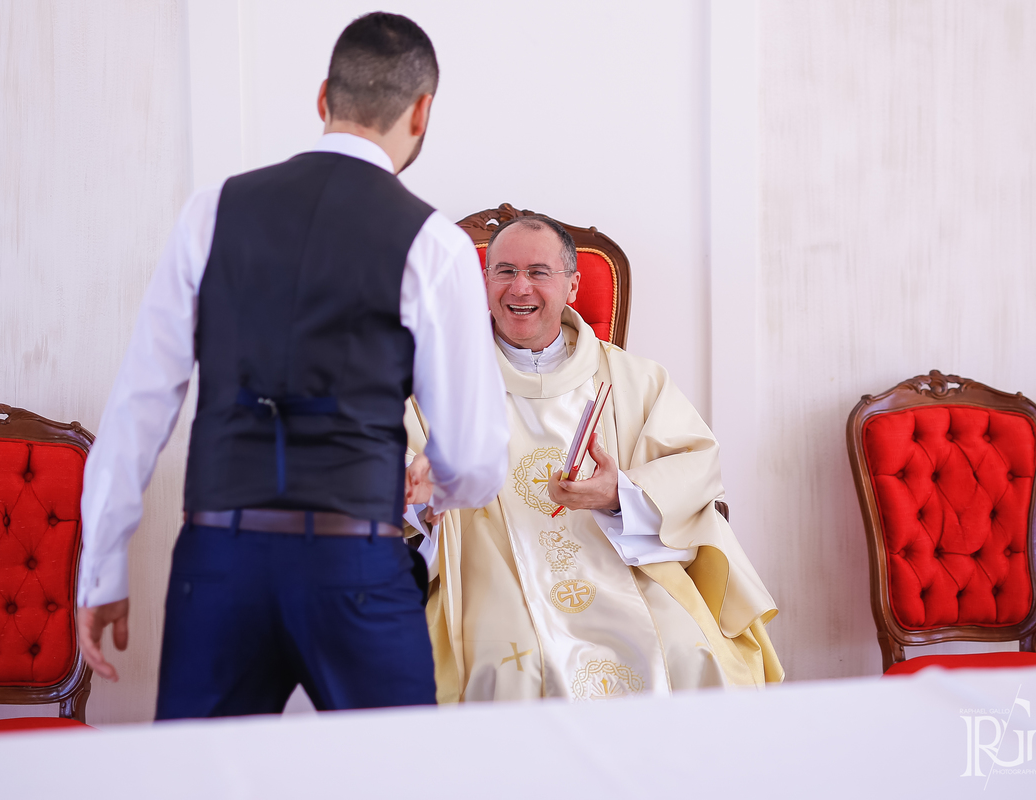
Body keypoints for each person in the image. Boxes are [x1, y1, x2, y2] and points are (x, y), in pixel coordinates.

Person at [75, 12, 508, 717]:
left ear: (323, 98)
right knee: (401, 769)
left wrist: (102, 570)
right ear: (422, 112)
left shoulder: (210, 212)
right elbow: (477, 458)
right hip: (355, 567)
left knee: (199, 772)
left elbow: (137, 408)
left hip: (218, 563)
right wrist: (439, 484)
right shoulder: (435, 245)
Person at [404, 215, 782, 703]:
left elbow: (696, 464)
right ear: (485, 280)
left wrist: (621, 493)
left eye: (538, 272)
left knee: (687, 653)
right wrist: (424, 500)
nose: (520, 287)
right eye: (505, 271)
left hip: (625, 561)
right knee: (512, 670)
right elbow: (399, 475)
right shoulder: (435, 382)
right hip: (488, 563)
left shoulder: (635, 379)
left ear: (573, 286)